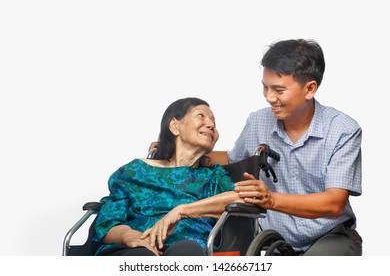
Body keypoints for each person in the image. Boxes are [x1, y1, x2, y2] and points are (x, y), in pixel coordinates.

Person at [211, 39, 363, 255]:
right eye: (265, 87)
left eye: (279, 90)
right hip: (274, 241)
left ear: (310, 88)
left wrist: (271, 199)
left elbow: (334, 203)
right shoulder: (257, 122)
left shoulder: (343, 129)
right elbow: (231, 159)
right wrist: (181, 149)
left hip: (329, 235)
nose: (269, 97)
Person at [93, 97, 242, 256]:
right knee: (140, 256)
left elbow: (240, 198)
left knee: (187, 251)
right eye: (201, 116)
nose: (211, 124)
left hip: (188, 250)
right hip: (134, 247)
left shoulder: (213, 176)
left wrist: (182, 211)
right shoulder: (134, 171)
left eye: (214, 122)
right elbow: (107, 224)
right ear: (175, 126)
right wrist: (130, 236)